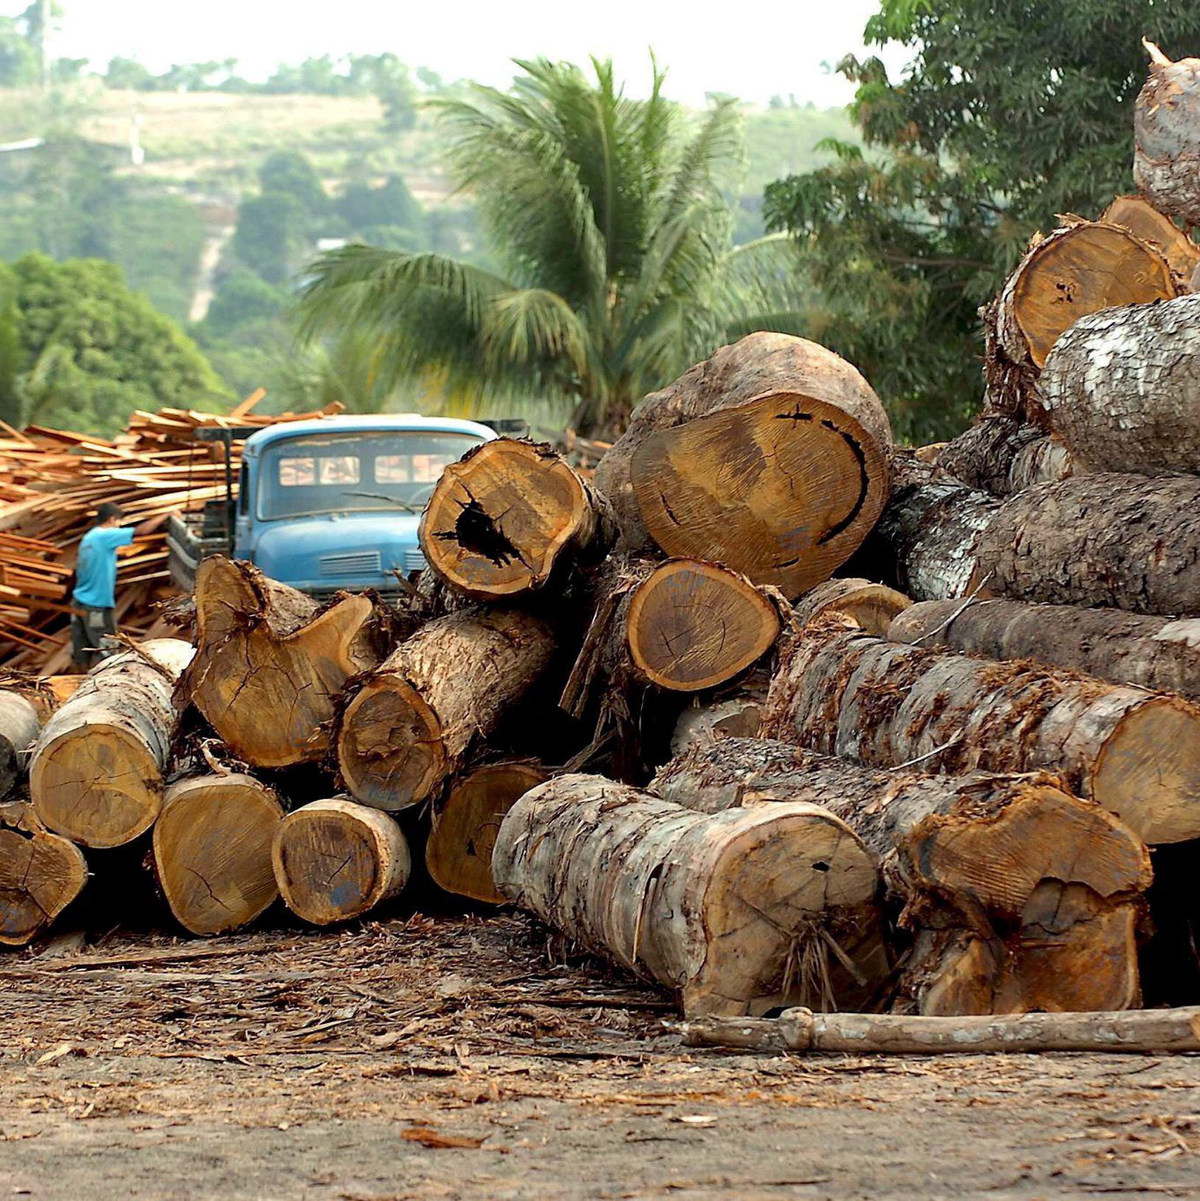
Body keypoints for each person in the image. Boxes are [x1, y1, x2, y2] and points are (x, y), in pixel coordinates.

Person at [70, 502, 136, 669]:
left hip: (80, 602)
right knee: (107, 652)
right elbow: (141, 532)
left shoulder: (89, 537)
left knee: (82, 650)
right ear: (112, 519)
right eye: (119, 522)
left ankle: (78, 682)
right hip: (96, 605)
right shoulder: (104, 536)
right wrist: (166, 516)